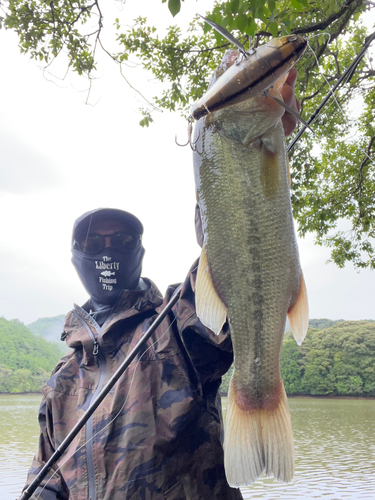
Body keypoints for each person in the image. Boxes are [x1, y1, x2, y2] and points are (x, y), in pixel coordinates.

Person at [23, 70, 300, 500]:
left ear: (140, 250)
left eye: (121, 240)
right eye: (94, 242)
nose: (107, 249)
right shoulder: (61, 382)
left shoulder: (173, 327)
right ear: (76, 257)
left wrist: (249, 165)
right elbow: (46, 475)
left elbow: (232, 272)